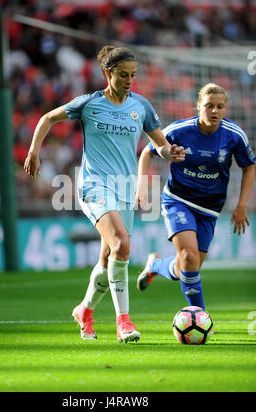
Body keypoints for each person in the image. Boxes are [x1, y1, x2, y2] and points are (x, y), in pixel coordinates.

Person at [24, 45, 185, 343]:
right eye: (123, 75)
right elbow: (47, 118)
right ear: (107, 73)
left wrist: (170, 152)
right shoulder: (88, 103)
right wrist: (34, 152)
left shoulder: (142, 107)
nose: (129, 80)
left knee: (109, 256)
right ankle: (123, 321)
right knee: (122, 244)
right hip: (94, 186)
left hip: (124, 191)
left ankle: (84, 311)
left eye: (133, 75)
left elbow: (159, 144)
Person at [137, 83, 255, 310]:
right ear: (198, 106)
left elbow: (249, 167)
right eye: (209, 106)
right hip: (178, 200)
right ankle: (198, 315)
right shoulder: (179, 131)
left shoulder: (234, 135)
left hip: (210, 208)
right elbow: (147, 152)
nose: (215, 111)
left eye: (220, 107)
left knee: (187, 267)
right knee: (189, 257)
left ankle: (155, 265)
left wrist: (241, 205)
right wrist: (142, 184)